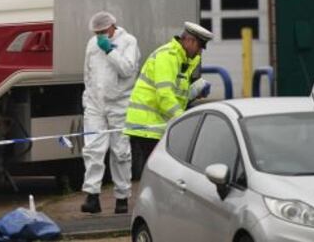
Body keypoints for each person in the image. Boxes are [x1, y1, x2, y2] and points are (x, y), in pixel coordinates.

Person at [124, 21, 214, 179]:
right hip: (148, 127)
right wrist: (183, 119)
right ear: (190, 41)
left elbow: (177, 94)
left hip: (158, 124)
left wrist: (195, 90)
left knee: (161, 175)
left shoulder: (184, 59)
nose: (200, 52)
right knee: (158, 176)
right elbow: (164, 95)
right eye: (200, 46)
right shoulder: (168, 56)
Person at [79, 12, 141, 215]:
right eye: (96, 33)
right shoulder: (92, 44)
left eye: (102, 32)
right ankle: (92, 196)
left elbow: (127, 70)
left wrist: (110, 52)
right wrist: (88, 100)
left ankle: (122, 198)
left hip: (120, 104)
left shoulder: (128, 41)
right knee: (93, 150)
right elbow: (87, 74)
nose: (99, 36)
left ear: (113, 26)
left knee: (120, 152)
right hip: (96, 105)